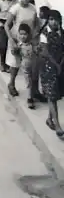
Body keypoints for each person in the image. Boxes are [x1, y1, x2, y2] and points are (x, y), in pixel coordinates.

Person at [40, 10, 64, 138]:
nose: (53, 22)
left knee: (55, 94)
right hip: (48, 67)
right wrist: (56, 64)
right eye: (50, 19)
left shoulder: (62, 34)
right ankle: (57, 125)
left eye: (55, 19)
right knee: (51, 95)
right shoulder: (44, 34)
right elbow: (45, 52)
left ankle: (50, 119)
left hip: (60, 67)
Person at [5, 0, 38, 73]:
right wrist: (11, 39)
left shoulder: (34, 9)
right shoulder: (15, 8)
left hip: (28, 41)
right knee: (15, 64)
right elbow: (6, 25)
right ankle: (11, 83)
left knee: (27, 65)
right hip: (16, 39)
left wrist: (33, 39)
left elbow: (35, 25)